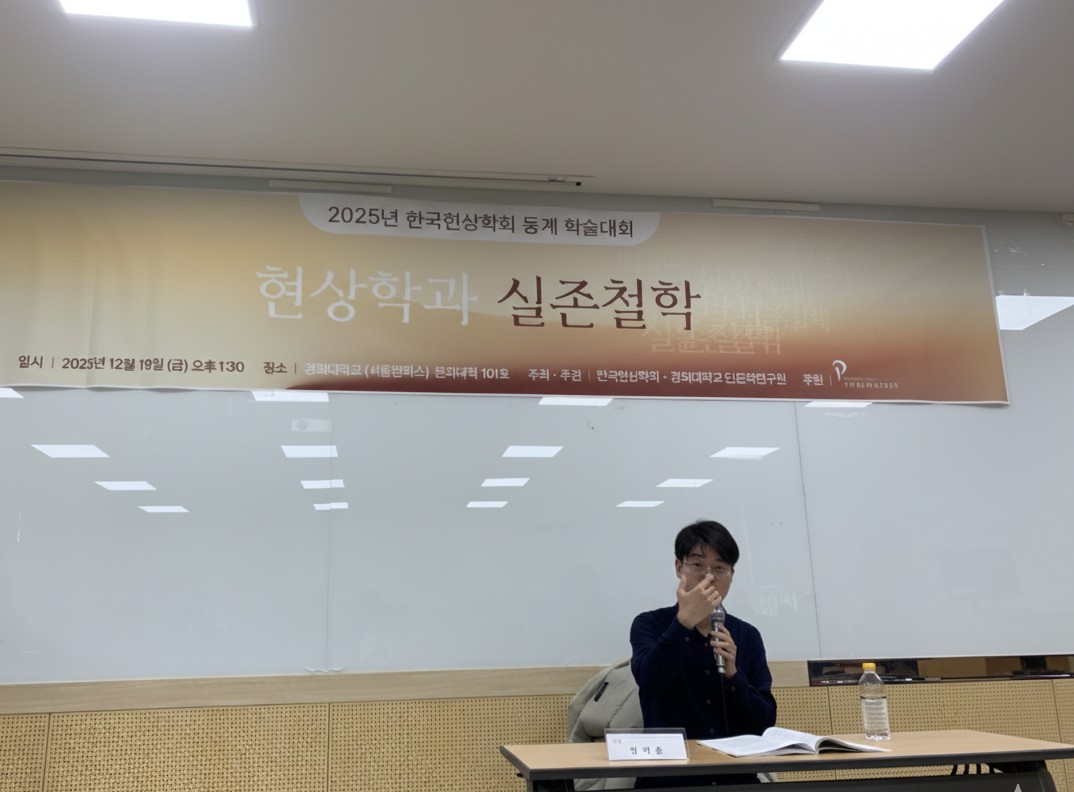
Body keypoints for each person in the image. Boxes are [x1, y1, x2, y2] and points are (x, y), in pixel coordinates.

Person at [629, 519, 776, 786]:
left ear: (732, 574)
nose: (709, 577)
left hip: (734, 779)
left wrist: (733, 675)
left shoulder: (747, 636)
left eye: (719, 568)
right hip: (670, 779)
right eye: (698, 565)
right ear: (679, 568)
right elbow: (651, 681)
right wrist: (684, 622)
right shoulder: (649, 624)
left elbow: (763, 723)